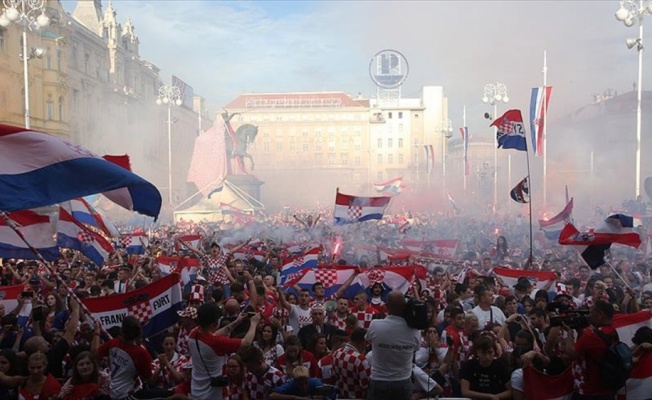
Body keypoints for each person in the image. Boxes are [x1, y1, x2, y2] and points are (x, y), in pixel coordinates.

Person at [189, 302, 260, 400]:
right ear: (214, 324)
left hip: (196, 391)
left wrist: (237, 321)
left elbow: (214, 335)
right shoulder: (216, 343)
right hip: (213, 394)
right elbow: (246, 342)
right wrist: (254, 323)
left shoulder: (193, 334)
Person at [365, 291, 420, 400]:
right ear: (405, 307)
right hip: (402, 381)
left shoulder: (375, 325)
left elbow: (367, 338)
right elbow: (416, 348)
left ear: (386, 306)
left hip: (379, 380)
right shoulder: (415, 331)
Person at [563, 300, 620, 399]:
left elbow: (571, 353)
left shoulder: (591, 336)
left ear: (600, 314)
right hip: (608, 388)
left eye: (591, 312)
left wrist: (569, 332)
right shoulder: (614, 331)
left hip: (589, 391)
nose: (588, 316)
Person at [96, 315, 158, 400]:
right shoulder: (141, 352)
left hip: (113, 393)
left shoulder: (113, 343)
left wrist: (96, 331)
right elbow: (151, 381)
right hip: (130, 395)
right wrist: (161, 366)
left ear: (122, 331)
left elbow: (95, 354)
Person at [331, 327, 371, 399]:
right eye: (366, 343)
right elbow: (366, 385)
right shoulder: (360, 359)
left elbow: (334, 375)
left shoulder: (337, 352)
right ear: (363, 342)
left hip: (341, 396)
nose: (366, 346)